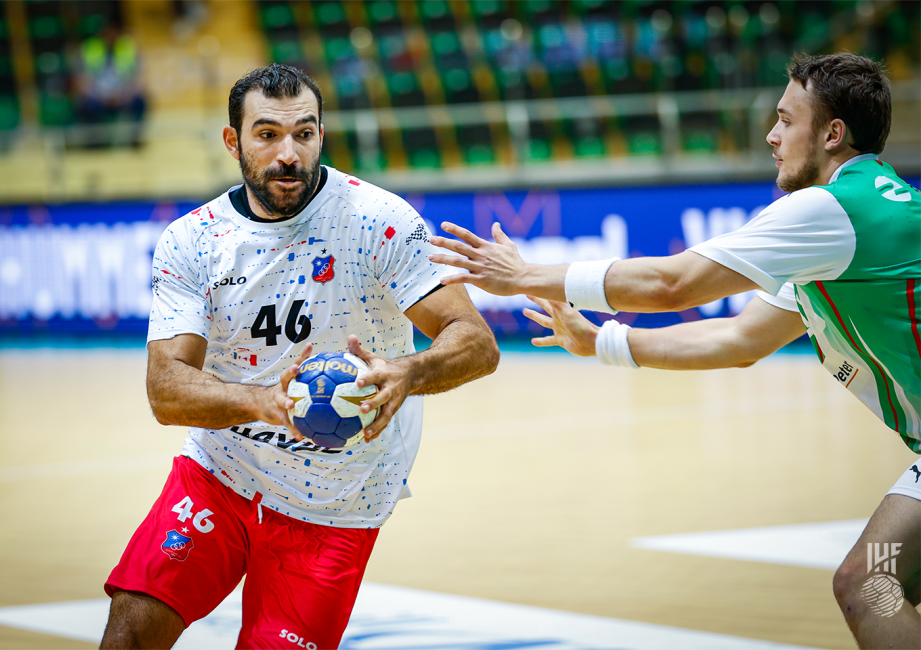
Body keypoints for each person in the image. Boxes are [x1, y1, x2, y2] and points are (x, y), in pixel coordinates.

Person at [430, 52, 921, 648]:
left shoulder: (829, 208)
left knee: (869, 582)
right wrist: (602, 341)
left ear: (832, 133)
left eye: (786, 120)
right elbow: (739, 339)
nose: (771, 135)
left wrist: (528, 276)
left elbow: (674, 283)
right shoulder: (862, 213)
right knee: (875, 583)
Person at [100, 64, 498, 650]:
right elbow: (167, 390)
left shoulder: (379, 222)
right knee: (130, 633)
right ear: (234, 140)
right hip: (219, 476)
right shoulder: (194, 240)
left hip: (338, 502)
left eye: (304, 133)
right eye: (267, 134)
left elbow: (476, 341)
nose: (289, 154)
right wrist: (266, 403)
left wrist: (408, 373)